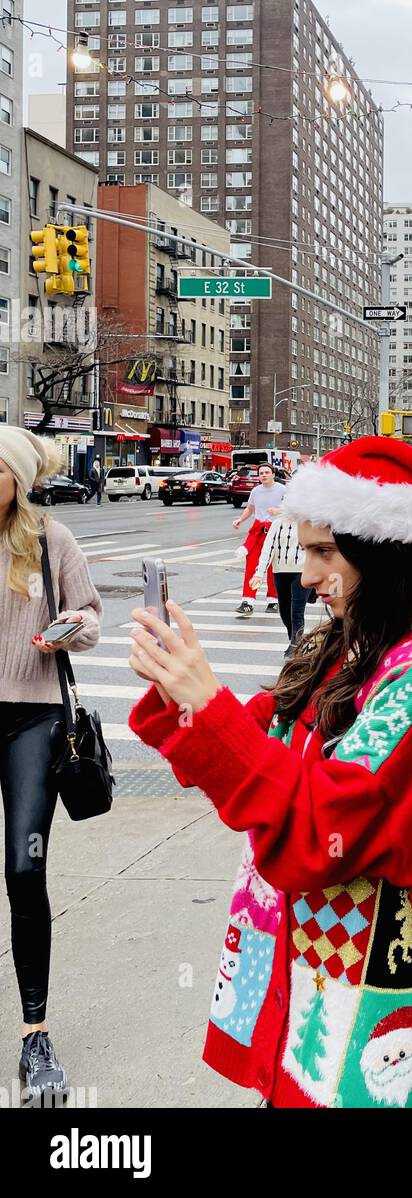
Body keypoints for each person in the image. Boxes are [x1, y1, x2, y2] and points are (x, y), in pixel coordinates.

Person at [128, 437, 412, 1109]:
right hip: (309, 943)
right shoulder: (345, 636)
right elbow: (267, 728)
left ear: (379, 548)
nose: (309, 574)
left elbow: (331, 813)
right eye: (305, 552)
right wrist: (184, 692)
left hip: (367, 945)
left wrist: (207, 707)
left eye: (325, 553)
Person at [0, 428, 102, 1099]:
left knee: (23, 866)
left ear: (15, 477)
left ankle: (35, 1036)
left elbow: (90, 617)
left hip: (33, 720)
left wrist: (57, 632)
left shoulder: (48, 540)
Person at [252, 512, 313, 658]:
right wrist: (259, 573)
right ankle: (297, 640)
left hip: (302, 571)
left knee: (296, 610)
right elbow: (268, 548)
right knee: (284, 611)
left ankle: (295, 645)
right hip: (280, 571)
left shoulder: (309, 522)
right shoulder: (278, 523)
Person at [233, 464, 286, 618]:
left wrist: (279, 510)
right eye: (261, 473)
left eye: (267, 472)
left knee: (272, 568)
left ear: (273, 474)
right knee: (252, 566)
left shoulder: (282, 489)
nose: (263, 475)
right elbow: (250, 509)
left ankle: (273, 599)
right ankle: (248, 601)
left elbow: (294, 507)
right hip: (258, 533)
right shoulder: (256, 491)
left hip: (276, 532)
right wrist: (240, 520)